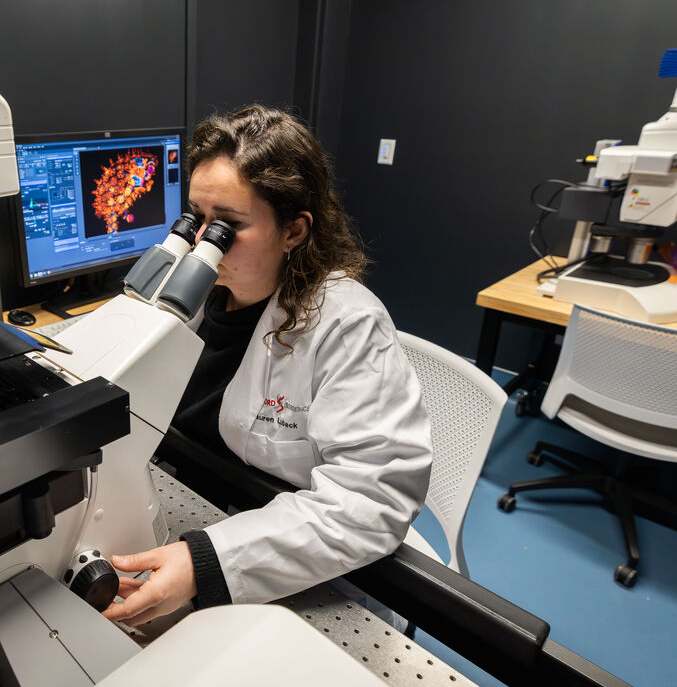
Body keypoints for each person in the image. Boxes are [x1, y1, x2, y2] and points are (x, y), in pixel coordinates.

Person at [101, 104, 432, 627]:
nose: (202, 241)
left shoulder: (346, 325)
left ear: (294, 231)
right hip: (185, 504)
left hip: (296, 562)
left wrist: (206, 561)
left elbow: (373, 498)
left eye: (227, 226)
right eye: (196, 219)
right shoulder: (189, 293)